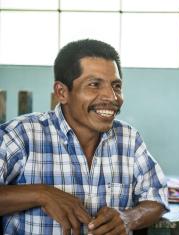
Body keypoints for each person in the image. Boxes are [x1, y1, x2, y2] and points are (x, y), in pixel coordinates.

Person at [0, 39, 168, 235]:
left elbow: (157, 197)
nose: (112, 97)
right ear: (62, 93)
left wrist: (129, 217)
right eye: (94, 84)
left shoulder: (129, 139)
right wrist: (41, 193)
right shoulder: (22, 135)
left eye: (116, 86)